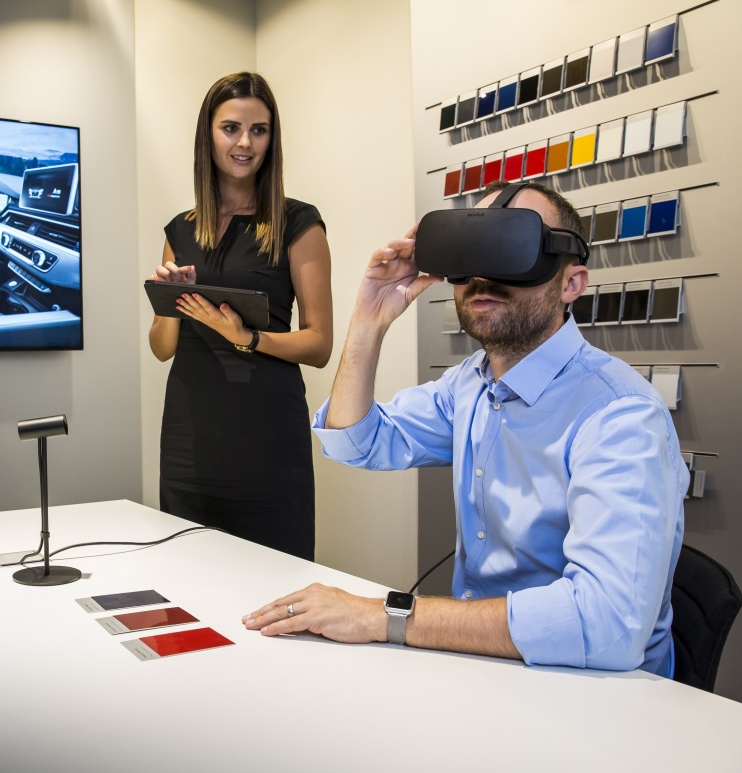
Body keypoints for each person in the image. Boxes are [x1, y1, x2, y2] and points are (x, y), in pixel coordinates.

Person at [243, 181, 687, 676]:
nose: (482, 275)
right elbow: (355, 441)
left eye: (510, 249)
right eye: (470, 251)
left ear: (571, 284)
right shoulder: (470, 385)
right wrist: (369, 318)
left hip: (595, 694)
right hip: (480, 666)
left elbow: (604, 627)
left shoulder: (621, 416)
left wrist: (384, 615)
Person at [147, 72, 333, 560]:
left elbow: (318, 345)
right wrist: (169, 301)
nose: (245, 143)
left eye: (260, 130)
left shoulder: (299, 223)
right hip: (190, 442)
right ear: (207, 134)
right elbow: (162, 347)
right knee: (189, 584)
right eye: (231, 128)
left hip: (268, 442)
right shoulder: (180, 230)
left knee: (274, 593)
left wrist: (249, 338)